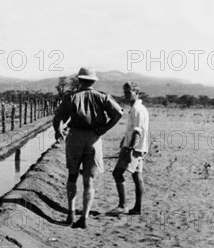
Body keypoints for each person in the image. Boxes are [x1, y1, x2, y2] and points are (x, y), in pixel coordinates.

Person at [53, 67, 123, 229]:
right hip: (94, 139)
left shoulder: (71, 97)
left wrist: (59, 131)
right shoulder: (102, 97)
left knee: (72, 177)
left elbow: (58, 118)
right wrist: (104, 129)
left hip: (75, 138)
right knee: (88, 181)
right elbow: (118, 113)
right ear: (93, 81)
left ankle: (70, 214)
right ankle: (84, 216)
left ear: (80, 80)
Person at [111, 81, 149, 215]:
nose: (126, 95)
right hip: (138, 148)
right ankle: (137, 208)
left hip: (134, 148)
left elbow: (137, 132)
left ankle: (122, 205)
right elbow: (133, 130)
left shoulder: (137, 109)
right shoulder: (137, 108)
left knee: (117, 173)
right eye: (125, 92)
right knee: (137, 176)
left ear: (136, 93)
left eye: (129, 92)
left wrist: (129, 149)